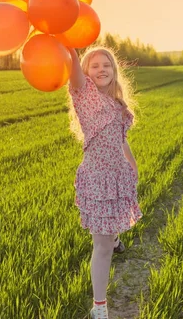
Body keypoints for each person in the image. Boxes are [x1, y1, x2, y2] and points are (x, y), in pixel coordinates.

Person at [66, 46, 143, 319]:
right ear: (87, 73)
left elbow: (121, 139)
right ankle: (100, 307)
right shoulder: (85, 96)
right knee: (101, 246)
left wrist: (131, 166)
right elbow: (73, 72)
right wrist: (70, 49)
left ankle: (114, 236)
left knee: (109, 233)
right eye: (95, 65)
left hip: (118, 175)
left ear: (114, 71)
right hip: (97, 180)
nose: (101, 69)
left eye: (106, 65)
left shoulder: (118, 105)